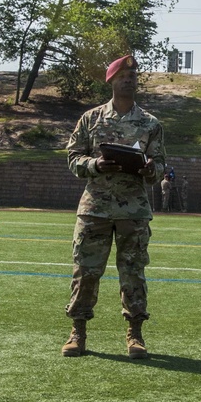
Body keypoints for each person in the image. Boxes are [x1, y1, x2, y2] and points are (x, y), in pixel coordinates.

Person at [63, 54, 166, 360]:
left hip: (133, 211)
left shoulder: (150, 124)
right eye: (122, 75)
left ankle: (135, 335)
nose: (128, 79)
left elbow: (160, 163)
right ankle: (77, 332)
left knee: (133, 273)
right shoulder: (91, 119)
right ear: (110, 80)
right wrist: (95, 163)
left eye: (133, 76)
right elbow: (72, 158)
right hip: (94, 209)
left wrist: (150, 170)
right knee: (85, 272)